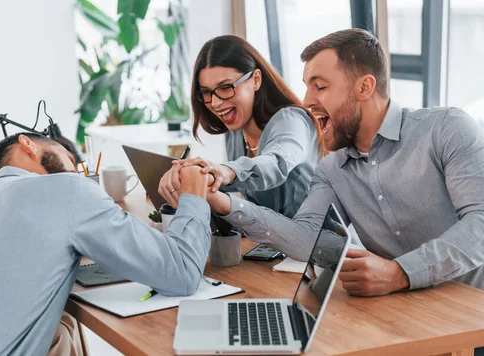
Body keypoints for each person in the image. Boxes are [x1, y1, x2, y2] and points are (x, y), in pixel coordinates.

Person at [190, 28, 484, 298]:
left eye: (320, 87)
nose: (306, 100)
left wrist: (400, 272)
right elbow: (305, 237)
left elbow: (480, 224)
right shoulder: (331, 169)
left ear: (364, 88)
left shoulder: (446, 129)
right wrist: (223, 204)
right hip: (412, 314)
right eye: (307, 87)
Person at [0, 133, 212, 356]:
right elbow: (181, 273)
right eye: (71, 162)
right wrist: (194, 194)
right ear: (28, 145)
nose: (75, 172)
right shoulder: (65, 189)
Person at [159, 35, 322, 219]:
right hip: (270, 241)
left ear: (256, 80)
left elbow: (276, 163)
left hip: (316, 242)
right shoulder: (236, 130)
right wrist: (192, 175)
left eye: (226, 87)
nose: (216, 102)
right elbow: (243, 187)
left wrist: (224, 171)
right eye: (206, 92)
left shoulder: (292, 120)